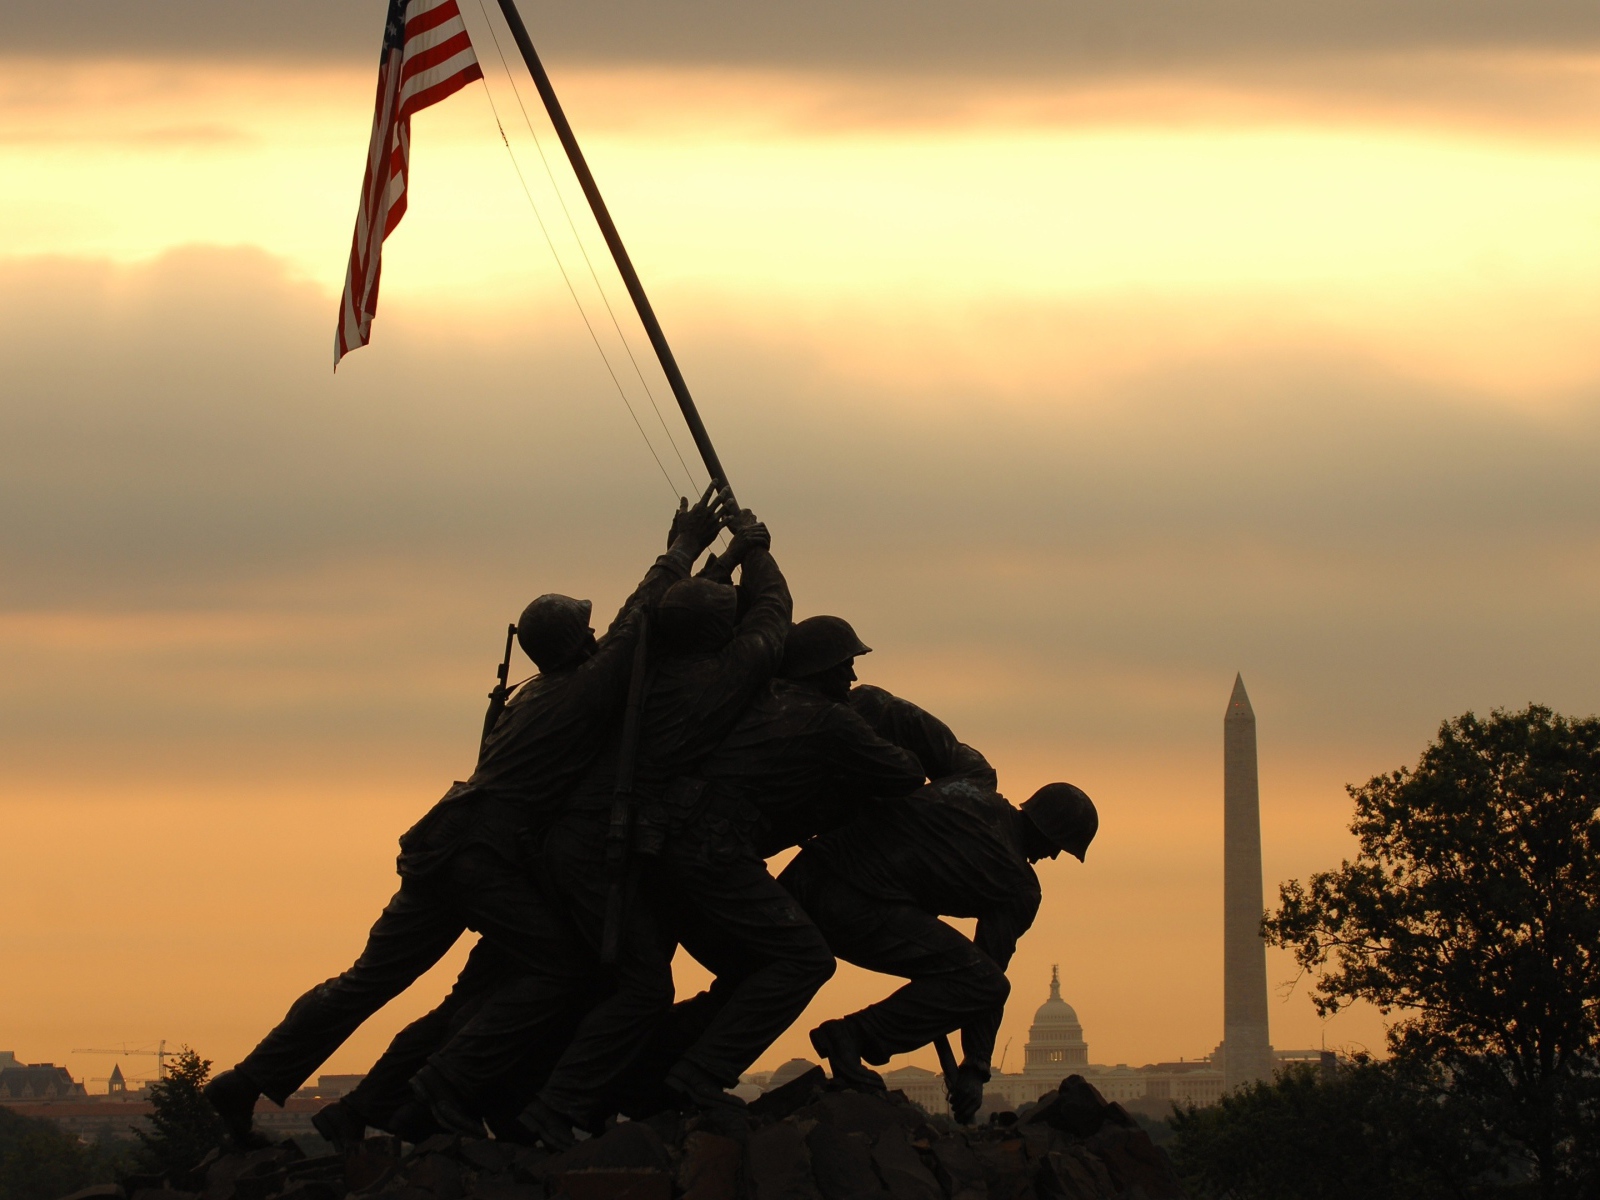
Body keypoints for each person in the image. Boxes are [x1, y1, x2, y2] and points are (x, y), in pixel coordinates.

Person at [202, 493, 727, 1146]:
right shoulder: (579, 690)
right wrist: (682, 544)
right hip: (486, 854)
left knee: (367, 981)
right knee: (559, 967)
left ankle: (248, 1078)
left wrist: (706, 575)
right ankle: (442, 1086)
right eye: (586, 633)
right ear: (574, 643)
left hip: (442, 841)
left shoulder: (526, 697)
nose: (597, 638)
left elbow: (637, 632)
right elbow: (635, 624)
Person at [425, 510, 798, 1147]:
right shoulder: (715, 681)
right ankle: (534, 1103)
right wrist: (755, 550)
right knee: (643, 986)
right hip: (594, 845)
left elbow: (660, 613)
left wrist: (713, 555)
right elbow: (773, 615)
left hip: (562, 842)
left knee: (592, 976)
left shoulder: (642, 667)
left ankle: (505, 1097)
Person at [779, 764, 1097, 1124]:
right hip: (852, 904)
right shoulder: (1018, 885)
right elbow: (988, 976)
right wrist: (976, 1068)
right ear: (1048, 832)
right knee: (983, 982)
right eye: (1059, 846)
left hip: (805, 873)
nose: (1053, 856)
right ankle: (852, 1036)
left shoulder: (969, 787)